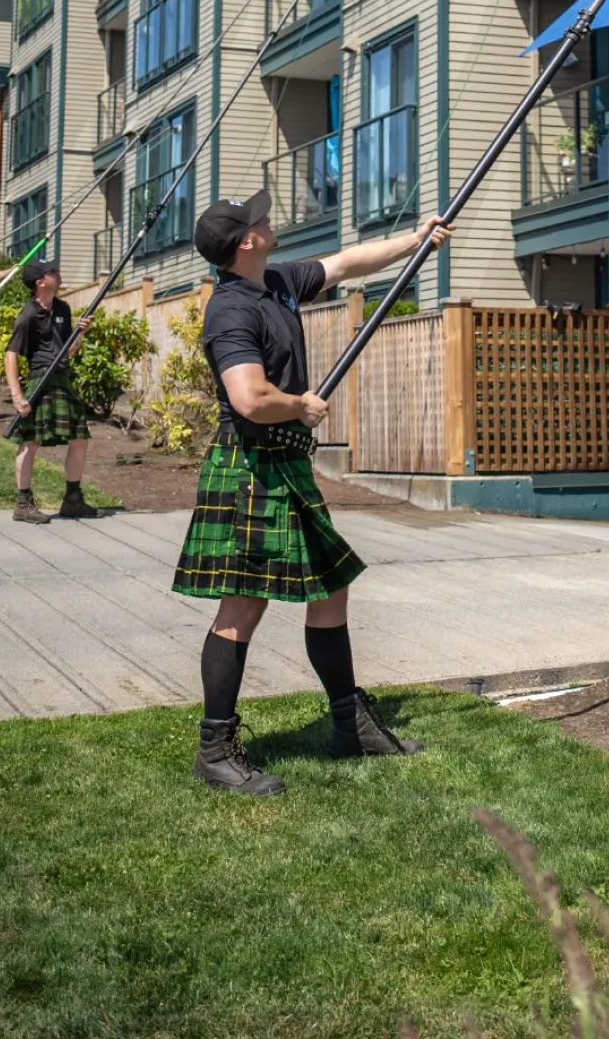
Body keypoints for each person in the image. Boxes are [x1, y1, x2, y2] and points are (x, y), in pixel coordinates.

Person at [171, 188, 449, 794]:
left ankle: (351, 725)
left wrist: (417, 239)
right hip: (251, 466)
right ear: (246, 241)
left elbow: (348, 262)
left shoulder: (277, 282)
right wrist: (301, 404)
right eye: (259, 220)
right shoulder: (230, 309)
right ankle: (215, 749)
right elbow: (249, 398)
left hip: (285, 466)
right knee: (243, 606)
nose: (269, 221)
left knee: (330, 590)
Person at [4, 260, 97, 525]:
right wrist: (17, 395)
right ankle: (23, 504)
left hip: (61, 378)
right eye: (51, 272)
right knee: (31, 441)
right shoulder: (28, 314)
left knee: (79, 438)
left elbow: (67, 352)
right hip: (40, 379)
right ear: (40, 282)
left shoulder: (63, 309)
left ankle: (72, 500)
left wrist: (80, 332)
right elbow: (11, 354)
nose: (57, 273)